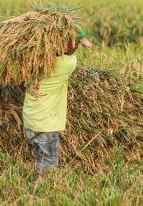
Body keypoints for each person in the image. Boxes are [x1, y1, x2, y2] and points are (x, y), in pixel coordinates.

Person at [23, 27, 92, 173]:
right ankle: (42, 192)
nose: (77, 47)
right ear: (63, 42)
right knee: (49, 165)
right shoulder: (65, 64)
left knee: (42, 159)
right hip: (46, 124)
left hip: (31, 119)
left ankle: (34, 185)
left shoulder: (35, 60)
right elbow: (70, 58)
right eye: (76, 43)